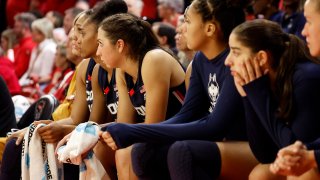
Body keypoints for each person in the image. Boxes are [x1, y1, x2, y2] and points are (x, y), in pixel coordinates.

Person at [100, 1, 258, 179]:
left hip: (251, 144)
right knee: (144, 152)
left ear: (210, 29)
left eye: (188, 21)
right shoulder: (200, 60)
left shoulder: (234, 61)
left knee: (183, 152)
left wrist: (134, 132)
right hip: (222, 141)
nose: (181, 28)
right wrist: (132, 133)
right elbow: (187, 115)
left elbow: (214, 127)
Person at [224, 18, 320, 179]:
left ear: (262, 58)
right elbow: (265, 156)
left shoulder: (306, 78)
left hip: (313, 162)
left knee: (303, 176)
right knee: (260, 174)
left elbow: (295, 151)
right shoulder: (265, 83)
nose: (228, 61)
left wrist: (257, 94)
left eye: (236, 52)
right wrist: (248, 97)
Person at [96, 13, 186, 179]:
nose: (98, 51)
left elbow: (154, 125)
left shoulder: (154, 59)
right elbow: (124, 125)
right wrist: (87, 131)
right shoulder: (122, 70)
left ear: (120, 45)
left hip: (182, 135)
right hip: (158, 135)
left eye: (101, 44)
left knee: (127, 152)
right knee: (99, 146)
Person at [269, 0, 320, 178]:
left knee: (303, 175)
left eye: (309, 20)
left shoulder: (308, 76)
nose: (304, 31)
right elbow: (263, 151)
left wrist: (312, 156)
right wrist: (305, 149)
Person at [19, 18, 56, 88]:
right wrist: (19, 84)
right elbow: (29, 72)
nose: (31, 34)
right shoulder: (36, 47)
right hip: (30, 84)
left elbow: (45, 77)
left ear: (42, 33)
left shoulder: (49, 50)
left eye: (33, 31)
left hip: (40, 87)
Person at [12, 13, 37, 78]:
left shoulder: (27, 46)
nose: (14, 30)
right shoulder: (22, 45)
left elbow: (19, 72)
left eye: (16, 27)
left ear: (25, 29)